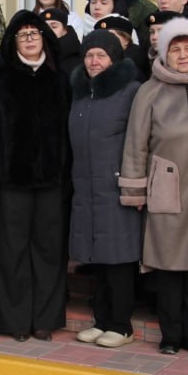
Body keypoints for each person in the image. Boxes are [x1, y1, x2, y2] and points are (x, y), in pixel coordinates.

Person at [121, 18, 188, 357]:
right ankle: (170, 335)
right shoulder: (150, 91)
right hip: (166, 189)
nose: (183, 55)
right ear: (164, 54)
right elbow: (136, 144)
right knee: (168, 267)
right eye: (175, 49)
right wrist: (135, 190)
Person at [0, 11, 73, 341]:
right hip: (9, 184)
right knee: (10, 251)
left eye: (35, 33)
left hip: (51, 183)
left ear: (44, 38)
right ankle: (14, 320)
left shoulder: (60, 78)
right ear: (12, 41)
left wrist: (66, 177)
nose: (29, 39)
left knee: (49, 250)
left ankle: (45, 319)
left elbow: (69, 133)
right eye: (22, 34)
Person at [68, 30, 143, 348]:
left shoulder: (131, 91)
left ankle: (122, 325)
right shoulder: (81, 93)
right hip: (86, 188)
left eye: (101, 55)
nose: (94, 61)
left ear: (114, 59)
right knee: (97, 259)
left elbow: (141, 140)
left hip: (117, 187)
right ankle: (101, 321)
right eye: (89, 55)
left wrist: (133, 183)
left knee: (119, 259)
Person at [93, 14, 149, 81]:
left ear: (126, 40)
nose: (105, 40)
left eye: (111, 35)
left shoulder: (132, 65)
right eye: (101, 36)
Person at [38, 7, 82, 74]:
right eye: (45, 27)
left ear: (65, 30)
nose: (49, 30)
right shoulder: (36, 54)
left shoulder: (76, 59)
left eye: (54, 27)